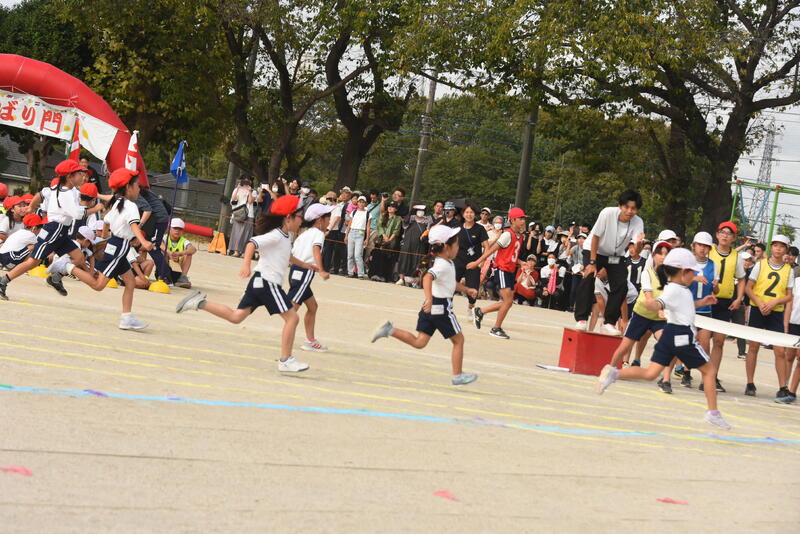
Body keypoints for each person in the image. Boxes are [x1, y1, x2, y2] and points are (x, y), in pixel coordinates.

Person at [596, 247, 731, 430]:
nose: (694, 275)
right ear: (683, 272)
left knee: (650, 373)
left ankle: (614, 373)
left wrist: (702, 302)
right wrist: (651, 303)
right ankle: (713, 412)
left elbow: (684, 306)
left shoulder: (679, 289)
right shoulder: (674, 290)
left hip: (670, 335)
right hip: (682, 336)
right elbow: (659, 303)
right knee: (709, 371)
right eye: (692, 272)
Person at [175, 195, 312, 372]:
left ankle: (199, 303)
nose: (302, 221)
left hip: (259, 282)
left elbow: (287, 256)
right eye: (300, 216)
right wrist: (246, 265)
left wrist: (305, 265)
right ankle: (286, 360)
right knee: (292, 318)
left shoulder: (284, 237)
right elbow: (251, 243)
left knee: (236, 317)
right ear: (288, 218)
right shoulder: (276, 235)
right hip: (267, 282)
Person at [371, 224, 478, 386]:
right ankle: (457, 375)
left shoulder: (445, 263)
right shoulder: (442, 264)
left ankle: (390, 330)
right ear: (446, 247)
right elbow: (428, 277)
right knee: (459, 340)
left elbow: (450, 283)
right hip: (440, 308)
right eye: (456, 244)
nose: (458, 247)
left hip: (431, 308)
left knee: (420, 342)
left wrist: (467, 289)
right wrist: (428, 298)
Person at [47, 168, 153, 330]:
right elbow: (134, 226)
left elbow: (107, 221)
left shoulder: (118, 203)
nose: (139, 188)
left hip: (117, 247)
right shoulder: (131, 206)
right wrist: (144, 242)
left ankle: (126, 318)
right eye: (137, 185)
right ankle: (66, 266)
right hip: (119, 248)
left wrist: (104, 236)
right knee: (98, 285)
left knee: (130, 281)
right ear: (128, 187)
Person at [0, 160, 103, 300]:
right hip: (54, 231)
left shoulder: (59, 189)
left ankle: (55, 278)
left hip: (61, 232)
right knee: (33, 262)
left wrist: (32, 207)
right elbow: (77, 214)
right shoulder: (66, 194)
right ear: (69, 176)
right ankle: (3, 281)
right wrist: (95, 208)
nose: (83, 176)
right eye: (80, 173)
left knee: (79, 258)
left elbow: (41, 194)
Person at [574, 190, 645, 336]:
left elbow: (637, 250)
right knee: (589, 276)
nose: (629, 211)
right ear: (620, 206)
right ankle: (581, 319)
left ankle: (609, 322)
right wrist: (592, 262)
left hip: (615, 256)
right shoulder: (607, 213)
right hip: (595, 249)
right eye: (627, 207)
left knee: (621, 284)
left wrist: (639, 243)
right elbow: (595, 237)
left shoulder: (638, 222)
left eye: (633, 208)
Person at [662, 232, 718, 392]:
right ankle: (666, 378)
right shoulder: (686, 262)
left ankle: (702, 377)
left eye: (706, 246)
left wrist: (716, 287)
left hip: (704, 310)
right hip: (685, 310)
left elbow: (716, 289)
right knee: (678, 344)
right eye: (700, 245)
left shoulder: (713, 265)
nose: (702, 249)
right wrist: (694, 278)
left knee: (704, 344)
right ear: (694, 246)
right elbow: (675, 281)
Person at [744, 234, 794, 401]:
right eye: (775, 245)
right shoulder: (761, 265)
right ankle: (750, 383)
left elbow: (789, 296)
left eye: (782, 246)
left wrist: (774, 302)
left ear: (786, 249)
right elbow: (748, 288)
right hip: (758, 309)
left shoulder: (788, 270)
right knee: (753, 347)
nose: (778, 249)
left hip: (776, 312)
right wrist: (760, 304)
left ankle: (782, 387)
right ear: (771, 247)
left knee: (779, 350)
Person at [608, 240, 672, 368]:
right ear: (653, 255)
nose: (663, 257)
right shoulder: (647, 273)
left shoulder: (671, 277)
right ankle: (610, 369)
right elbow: (649, 298)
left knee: (668, 344)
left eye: (667, 254)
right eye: (660, 253)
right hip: (641, 315)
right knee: (625, 346)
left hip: (658, 320)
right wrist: (660, 308)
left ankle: (662, 376)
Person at [470, 207, 527, 339]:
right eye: (521, 218)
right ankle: (496, 328)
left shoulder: (520, 236)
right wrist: (477, 262)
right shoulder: (507, 235)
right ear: (513, 220)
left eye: (524, 218)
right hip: (502, 269)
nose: (523, 221)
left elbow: (511, 254)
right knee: (508, 301)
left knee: (508, 302)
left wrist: (521, 262)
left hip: (509, 270)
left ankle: (480, 311)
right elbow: (491, 250)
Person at [288, 203, 334, 352]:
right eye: (328, 218)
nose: (329, 221)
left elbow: (293, 254)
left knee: (312, 307)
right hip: (305, 273)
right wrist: (321, 270)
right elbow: (316, 251)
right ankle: (287, 340)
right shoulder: (318, 234)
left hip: (295, 271)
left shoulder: (304, 234)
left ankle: (310, 340)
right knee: (290, 311)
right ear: (320, 219)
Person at [708, 221, 746, 390]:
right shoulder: (709, 251)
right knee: (700, 339)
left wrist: (738, 298)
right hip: (706, 300)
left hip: (724, 302)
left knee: (719, 341)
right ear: (717, 234)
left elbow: (742, 278)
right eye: (722, 232)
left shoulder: (736, 257)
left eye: (729, 233)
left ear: (734, 238)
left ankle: (712, 376)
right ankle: (687, 371)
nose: (725, 236)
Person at [453, 204, 488, 315]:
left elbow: (487, 247)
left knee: (473, 291)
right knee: (451, 285)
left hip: (473, 263)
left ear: (475, 214)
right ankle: (447, 307)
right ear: (463, 214)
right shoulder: (458, 227)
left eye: (471, 212)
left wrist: (480, 262)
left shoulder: (480, 229)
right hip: (458, 261)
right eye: (467, 212)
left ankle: (471, 307)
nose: (469, 214)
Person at [396, 204, 431, 286]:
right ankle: (401, 278)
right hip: (407, 243)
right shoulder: (410, 218)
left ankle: (417, 281)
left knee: (418, 261)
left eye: (422, 211)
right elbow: (405, 223)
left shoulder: (427, 220)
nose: (421, 212)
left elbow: (429, 230)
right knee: (404, 259)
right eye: (419, 210)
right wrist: (411, 212)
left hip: (420, 244)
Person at [369, 201, 401, 282]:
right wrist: (384, 236)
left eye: (392, 207)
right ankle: (374, 274)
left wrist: (389, 239)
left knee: (386, 259)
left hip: (391, 242)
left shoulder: (398, 218)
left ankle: (383, 276)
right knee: (377, 257)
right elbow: (379, 226)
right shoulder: (383, 215)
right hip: (381, 239)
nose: (390, 208)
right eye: (389, 206)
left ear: (396, 209)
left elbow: (396, 230)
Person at [162, 218, 197, 288]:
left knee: (189, 253)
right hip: (164, 271)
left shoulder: (184, 241)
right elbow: (159, 244)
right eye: (175, 228)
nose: (177, 231)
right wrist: (170, 253)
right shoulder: (164, 238)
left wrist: (179, 253)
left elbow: (193, 249)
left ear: (182, 231)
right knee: (162, 251)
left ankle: (183, 277)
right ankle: (164, 276)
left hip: (177, 272)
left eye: (180, 229)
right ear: (169, 228)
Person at [228, 178, 255, 257]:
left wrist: (249, 191)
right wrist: (238, 189)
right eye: (245, 182)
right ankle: (235, 251)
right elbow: (233, 199)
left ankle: (244, 252)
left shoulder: (253, 191)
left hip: (248, 214)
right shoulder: (237, 189)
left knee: (245, 234)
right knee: (236, 233)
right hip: (239, 213)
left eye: (248, 182)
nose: (246, 185)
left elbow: (250, 201)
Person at [345, 195, 369, 279]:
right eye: (360, 202)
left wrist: (367, 238)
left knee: (358, 255)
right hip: (351, 232)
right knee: (350, 255)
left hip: (360, 233)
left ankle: (360, 273)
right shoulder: (354, 212)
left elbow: (368, 227)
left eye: (363, 202)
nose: (361, 203)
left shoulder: (368, 213)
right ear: (357, 203)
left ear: (365, 203)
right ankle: (350, 272)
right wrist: (346, 235)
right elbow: (349, 224)